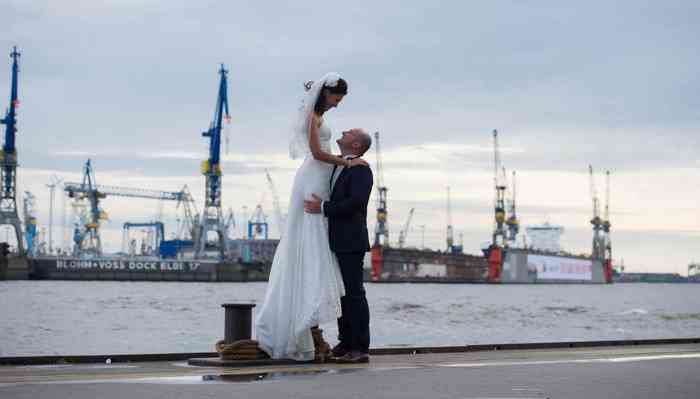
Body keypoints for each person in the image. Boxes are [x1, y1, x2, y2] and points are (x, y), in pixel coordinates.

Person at [255, 72, 367, 361]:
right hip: (315, 174)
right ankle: (338, 338)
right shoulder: (314, 119)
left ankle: (348, 341)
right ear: (327, 94)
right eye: (337, 98)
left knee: (316, 246)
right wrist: (345, 161)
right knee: (309, 235)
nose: (338, 105)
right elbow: (317, 152)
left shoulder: (317, 115)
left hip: (320, 181)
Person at [304, 128, 374, 364]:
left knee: (354, 294)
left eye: (350, 132)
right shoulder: (338, 165)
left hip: (351, 240)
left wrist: (322, 207)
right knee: (342, 294)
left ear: (356, 145)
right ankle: (345, 343)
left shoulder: (361, 169)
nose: (343, 131)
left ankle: (360, 347)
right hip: (335, 240)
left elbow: (355, 203)